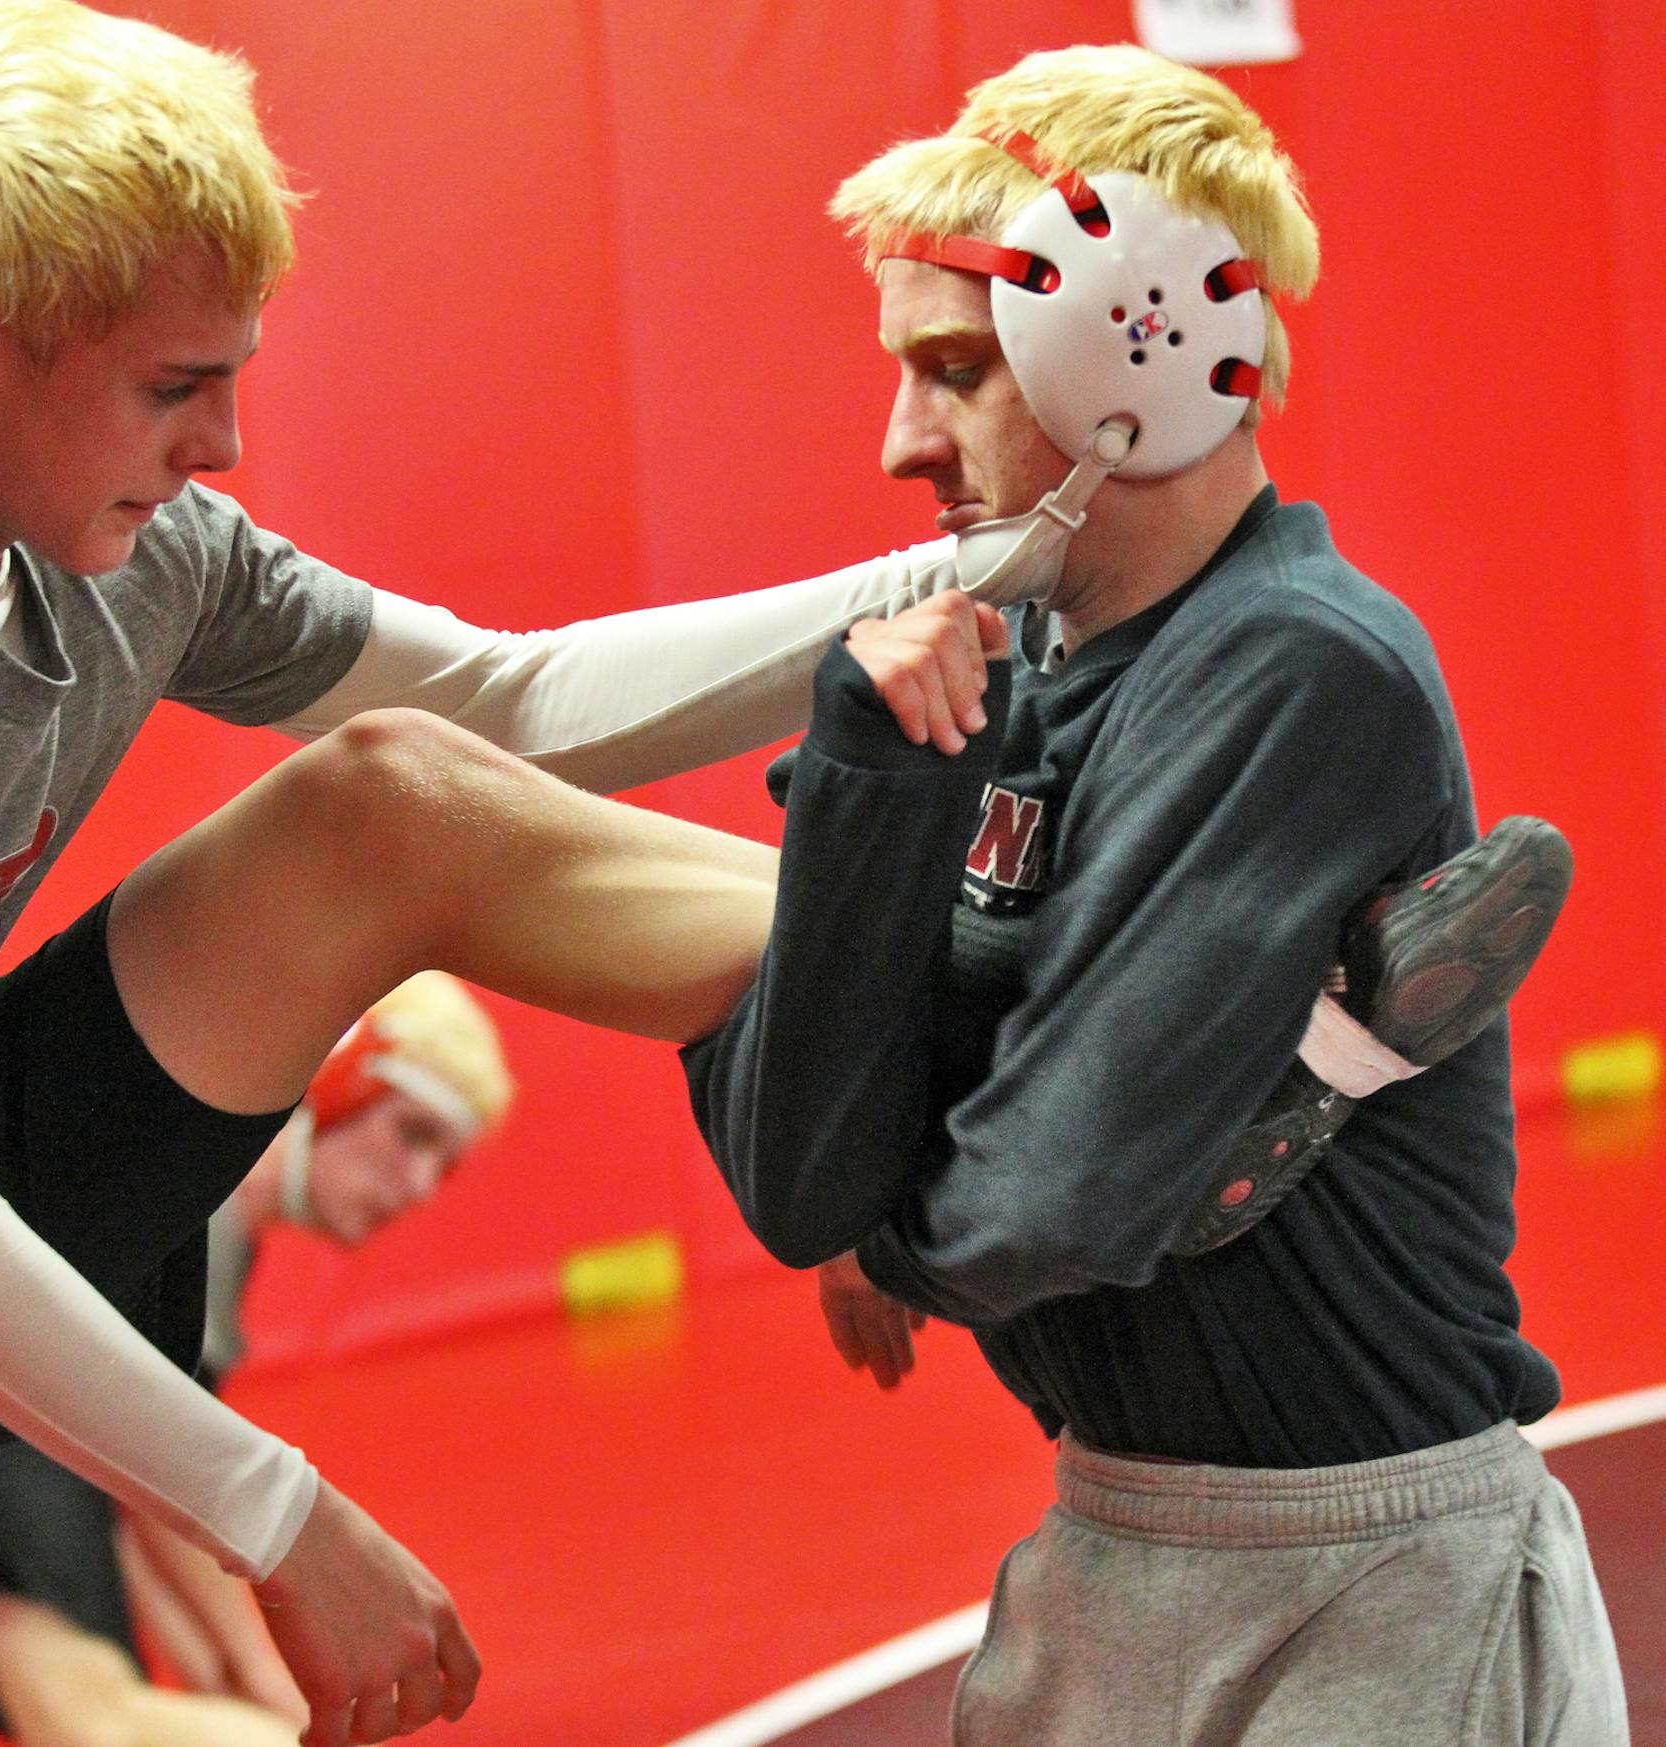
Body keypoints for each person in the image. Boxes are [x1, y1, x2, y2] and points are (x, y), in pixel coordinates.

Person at [0, 2, 977, 1742]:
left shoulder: (141, 549)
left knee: (393, 801)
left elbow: (517, 699)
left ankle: (993, 1012)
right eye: (173, 388)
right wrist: (281, 1516)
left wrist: (993, 562)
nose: (223, 448)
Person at [681, 44, 1626, 1744]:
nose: (901, 437)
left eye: (954, 367)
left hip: (1374, 1581)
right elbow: (801, 1189)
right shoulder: (1004, 674)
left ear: (1154, 349)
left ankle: (1297, 1087)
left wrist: (900, 1189)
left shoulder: (1297, 668)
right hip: (1108, 1537)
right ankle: (1295, 1084)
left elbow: (1026, 1213)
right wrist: (867, 786)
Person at [0, 974, 513, 1747]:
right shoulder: (198, 1212)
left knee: (98, 1716)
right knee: (96, 1725)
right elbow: (167, 1482)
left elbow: (136, 1491)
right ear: (334, 1079)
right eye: (411, 1133)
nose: (419, 1187)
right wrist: (262, 1679)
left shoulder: (198, 1207)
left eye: (443, 1165)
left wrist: (228, 1672)